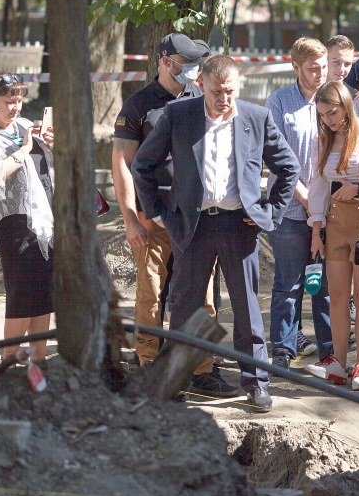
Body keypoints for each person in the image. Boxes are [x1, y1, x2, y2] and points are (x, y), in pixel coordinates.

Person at [133, 55, 300, 412]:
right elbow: (143, 166)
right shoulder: (180, 115)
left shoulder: (255, 117)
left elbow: (288, 167)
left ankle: (256, 383)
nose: (224, 98)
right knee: (184, 306)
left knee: (247, 307)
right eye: (216, 91)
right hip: (191, 226)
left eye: (229, 91)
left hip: (239, 224)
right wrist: (159, 213)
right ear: (202, 85)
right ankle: (175, 381)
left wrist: (269, 211)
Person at [111, 33, 211, 369]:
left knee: (203, 295)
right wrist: (129, 219)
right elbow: (122, 164)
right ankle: (148, 363)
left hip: (195, 217)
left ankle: (201, 366)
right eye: (185, 64)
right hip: (151, 216)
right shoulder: (139, 105)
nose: (193, 71)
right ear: (165, 61)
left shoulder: (202, 98)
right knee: (151, 295)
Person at [0, 72, 55, 361]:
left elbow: (48, 169)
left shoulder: (27, 127)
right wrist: (24, 151)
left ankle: (39, 360)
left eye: (19, 100)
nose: (15, 107)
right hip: (13, 220)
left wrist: (49, 147)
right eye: (9, 101)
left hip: (45, 218)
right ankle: (9, 360)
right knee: (21, 292)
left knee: (43, 291)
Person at [265, 37, 333, 371]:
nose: (319, 74)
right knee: (288, 282)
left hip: (330, 211)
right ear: (296, 66)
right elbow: (276, 158)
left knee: (325, 285)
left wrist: (321, 205)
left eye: (323, 67)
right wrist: (306, 199)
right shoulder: (279, 101)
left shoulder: (334, 98)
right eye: (312, 68)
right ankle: (282, 348)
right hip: (291, 210)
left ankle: (330, 351)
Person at [305, 82, 359, 389]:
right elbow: (318, 186)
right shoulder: (323, 139)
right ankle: (338, 361)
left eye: (332, 112)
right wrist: (316, 229)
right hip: (335, 223)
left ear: (345, 105)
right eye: (323, 115)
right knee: (336, 297)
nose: (329, 120)